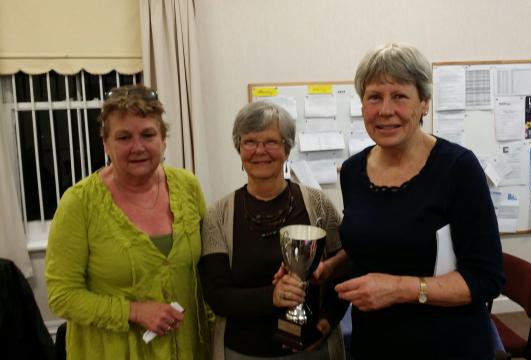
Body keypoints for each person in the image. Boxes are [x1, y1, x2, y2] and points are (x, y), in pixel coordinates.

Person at [314, 43, 505, 359]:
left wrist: (397, 289)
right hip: (374, 341)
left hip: (446, 344)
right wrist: (327, 268)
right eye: (374, 97)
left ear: (424, 104)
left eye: (399, 96)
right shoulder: (352, 172)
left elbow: (486, 278)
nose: (385, 110)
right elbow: (373, 244)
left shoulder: (457, 168)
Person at [45, 84, 210, 359]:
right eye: (123, 137)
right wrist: (134, 311)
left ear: (164, 140)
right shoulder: (79, 203)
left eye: (148, 134)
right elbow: (62, 296)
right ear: (106, 143)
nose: (138, 147)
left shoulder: (188, 187)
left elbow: (206, 270)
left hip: (187, 348)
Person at [198, 101, 348, 360]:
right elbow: (216, 294)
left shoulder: (319, 205)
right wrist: (273, 297)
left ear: (287, 149)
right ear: (239, 148)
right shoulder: (218, 215)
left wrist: (325, 324)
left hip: (312, 351)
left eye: (271, 142)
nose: (260, 151)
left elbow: (341, 270)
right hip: (242, 352)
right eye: (250, 142)